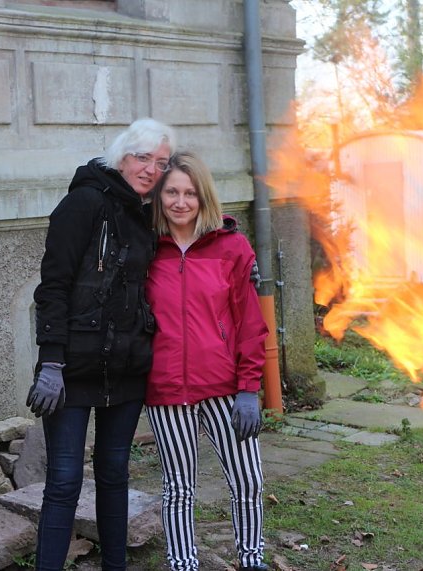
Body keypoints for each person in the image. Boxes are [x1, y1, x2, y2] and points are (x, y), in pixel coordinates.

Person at [28, 117, 177, 571]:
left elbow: (191, 236)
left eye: (161, 163)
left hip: (128, 369)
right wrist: (50, 361)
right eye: (143, 158)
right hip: (72, 369)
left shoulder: (147, 215)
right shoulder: (83, 203)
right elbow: (52, 286)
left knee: (114, 475)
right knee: (64, 481)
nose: (151, 169)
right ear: (121, 156)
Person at [144, 151, 270, 571]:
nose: (181, 202)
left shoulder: (231, 248)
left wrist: (250, 389)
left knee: (247, 480)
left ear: (204, 197)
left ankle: (251, 559)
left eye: (190, 193)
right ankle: (183, 563)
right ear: (160, 196)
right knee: (179, 488)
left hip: (224, 389)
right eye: (172, 193)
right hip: (165, 392)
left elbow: (250, 324)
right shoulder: (145, 249)